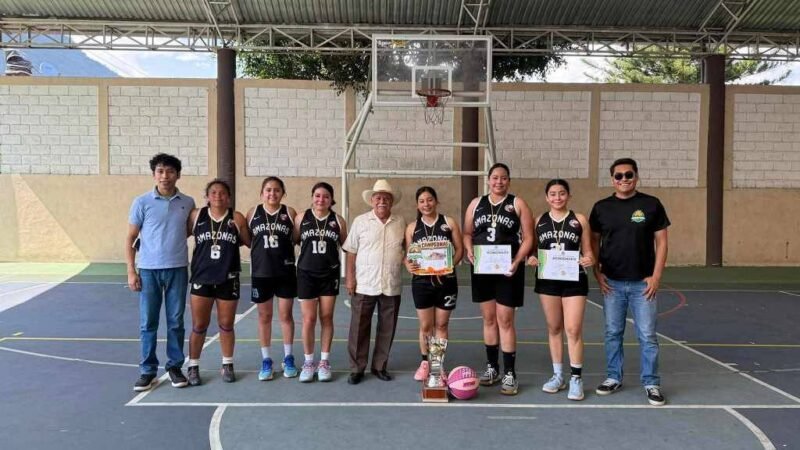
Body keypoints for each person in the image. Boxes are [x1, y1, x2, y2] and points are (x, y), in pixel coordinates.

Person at [590, 158, 670, 406]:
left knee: (647, 335)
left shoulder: (651, 204)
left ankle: (651, 382)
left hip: (642, 285)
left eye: (628, 175)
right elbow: (593, 242)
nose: (623, 179)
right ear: (612, 179)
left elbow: (662, 242)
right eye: (618, 176)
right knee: (613, 333)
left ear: (636, 176)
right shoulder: (601, 207)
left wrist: (656, 277)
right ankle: (614, 377)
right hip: (612, 283)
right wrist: (597, 273)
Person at [126, 153, 195, 391]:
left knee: (176, 321)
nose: (165, 176)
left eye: (170, 171)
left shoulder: (188, 202)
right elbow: (130, 237)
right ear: (154, 174)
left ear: (178, 175)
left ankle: (174, 367)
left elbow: (187, 230)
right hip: (148, 270)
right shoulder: (141, 202)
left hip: (177, 268)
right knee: (148, 322)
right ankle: (148, 371)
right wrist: (131, 271)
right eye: (160, 171)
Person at [463, 163, 534, 396]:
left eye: (503, 178)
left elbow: (529, 237)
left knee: (505, 320)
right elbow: (467, 233)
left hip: (508, 269)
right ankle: (492, 367)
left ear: (509, 181)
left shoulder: (518, 203)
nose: (499, 182)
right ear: (488, 180)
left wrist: (518, 260)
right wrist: (469, 250)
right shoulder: (476, 204)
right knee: (488, 319)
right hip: (483, 268)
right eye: (495, 177)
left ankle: (510, 372)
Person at [526, 179, 594, 401]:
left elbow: (589, 252)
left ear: (569, 196)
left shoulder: (579, 219)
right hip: (548, 280)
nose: (557, 197)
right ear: (547, 197)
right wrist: (531, 258)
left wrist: (588, 259)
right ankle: (558, 376)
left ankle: (576, 378)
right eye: (553, 194)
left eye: (562, 193)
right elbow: (532, 250)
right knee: (554, 327)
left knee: (573, 329)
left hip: (574, 279)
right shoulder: (539, 221)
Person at [186, 179, 250, 386]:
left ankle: (227, 364)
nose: (218, 196)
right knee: (199, 325)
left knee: (226, 325)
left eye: (222, 193)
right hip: (202, 277)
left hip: (228, 278)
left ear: (228, 197)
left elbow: (250, 241)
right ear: (207, 196)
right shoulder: (197, 216)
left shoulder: (236, 218)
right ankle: (193, 366)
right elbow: (180, 234)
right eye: (213, 192)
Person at [343, 179, 406, 385]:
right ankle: (357, 368)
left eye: (386, 198)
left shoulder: (401, 222)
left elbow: (408, 250)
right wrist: (350, 279)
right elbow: (351, 252)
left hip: (391, 283)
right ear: (372, 200)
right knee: (359, 328)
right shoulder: (360, 221)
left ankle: (380, 366)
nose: (382, 201)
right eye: (378, 198)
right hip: (364, 283)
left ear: (392, 202)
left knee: (387, 328)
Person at [404, 187, 463, 381]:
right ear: (417, 205)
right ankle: (425, 363)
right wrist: (408, 264)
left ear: (436, 201)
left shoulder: (449, 223)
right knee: (425, 325)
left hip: (446, 281)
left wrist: (448, 266)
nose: (426, 204)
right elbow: (408, 256)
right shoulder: (412, 227)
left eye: (429, 200)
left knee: (442, 324)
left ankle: (437, 365)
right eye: (422, 201)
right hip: (421, 282)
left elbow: (460, 250)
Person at [247, 177, 300, 381]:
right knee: (264, 317)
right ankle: (266, 360)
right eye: (268, 190)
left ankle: (288, 357)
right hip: (261, 273)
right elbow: (249, 239)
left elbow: (295, 238)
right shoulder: (252, 213)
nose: (272, 193)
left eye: (277, 190)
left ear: (283, 193)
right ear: (262, 193)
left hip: (285, 272)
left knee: (286, 315)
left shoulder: (290, 213)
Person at [294, 182, 347, 383]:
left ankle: (324, 361)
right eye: (317, 195)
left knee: (326, 317)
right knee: (308, 319)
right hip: (306, 274)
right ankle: (308, 362)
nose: (321, 199)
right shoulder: (302, 218)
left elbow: (345, 244)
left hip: (329, 275)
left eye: (325, 196)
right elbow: (296, 239)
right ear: (312, 197)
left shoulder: (338, 220)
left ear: (331, 199)